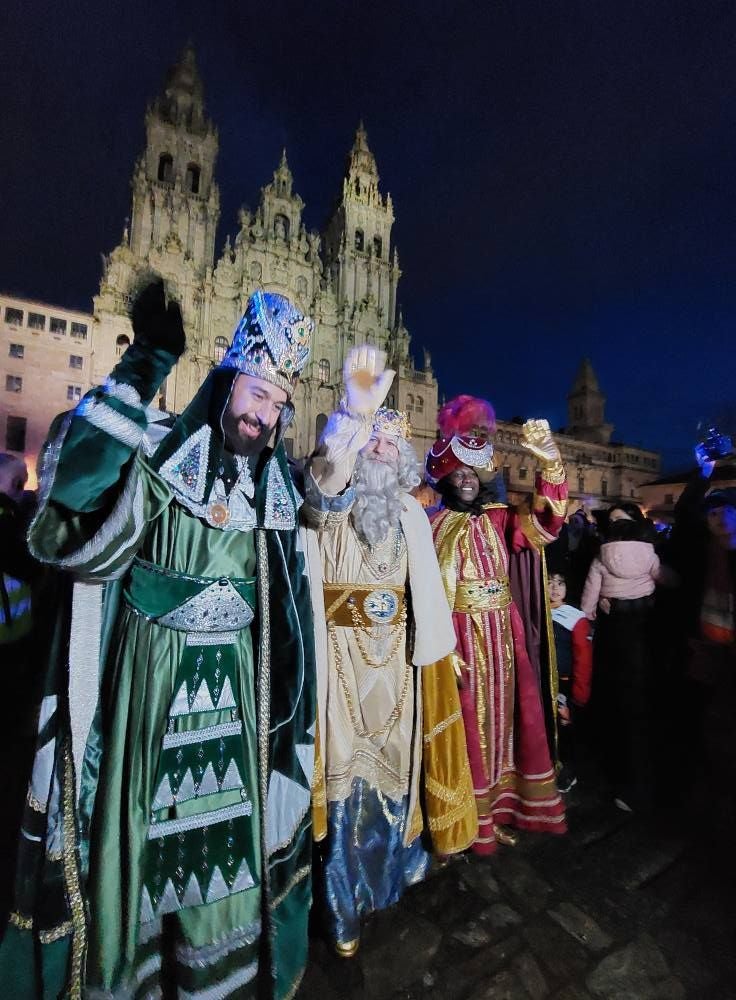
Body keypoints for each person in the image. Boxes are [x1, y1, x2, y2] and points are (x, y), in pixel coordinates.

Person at [3, 282, 317, 999]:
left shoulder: (273, 487)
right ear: (227, 379)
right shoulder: (161, 450)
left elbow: (292, 591)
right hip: (152, 684)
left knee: (220, 848)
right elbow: (70, 510)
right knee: (140, 839)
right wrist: (145, 364)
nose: (262, 414)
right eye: (256, 392)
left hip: (234, 697)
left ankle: (212, 972)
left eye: (276, 402)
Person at [302, 347, 476, 957]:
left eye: (386, 444)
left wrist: (436, 654)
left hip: (399, 672)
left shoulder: (411, 513)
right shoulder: (331, 503)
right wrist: (354, 414)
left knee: (396, 771)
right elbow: (325, 483)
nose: (378, 449)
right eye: (369, 441)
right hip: (342, 665)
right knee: (344, 780)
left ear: (402, 462)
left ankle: (387, 881)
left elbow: (425, 597)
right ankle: (340, 903)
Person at [426, 395, 567, 854]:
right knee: (463, 726)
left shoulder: (501, 518)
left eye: (473, 474)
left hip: (504, 639)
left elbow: (546, 527)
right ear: (448, 479)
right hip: (458, 639)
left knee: (505, 721)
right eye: (459, 475)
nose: (467, 481)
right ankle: (466, 820)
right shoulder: (433, 524)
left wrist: (551, 463)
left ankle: (501, 811)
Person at [581, 503, 663, 812]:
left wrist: (589, 615)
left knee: (626, 701)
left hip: (620, 632)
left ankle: (629, 774)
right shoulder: (649, 551)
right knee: (635, 702)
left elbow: (591, 589)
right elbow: (666, 577)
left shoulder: (603, 553)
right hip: (642, 631)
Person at [547, 570, 593, 793]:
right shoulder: (536, 611)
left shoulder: (574, 616)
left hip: (564, 685)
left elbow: (583, 657)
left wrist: (580, 692)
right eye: (549, 582)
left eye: (560, 583)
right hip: (542, 683)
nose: (554, 588)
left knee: (565, 730)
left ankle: (568, 771)